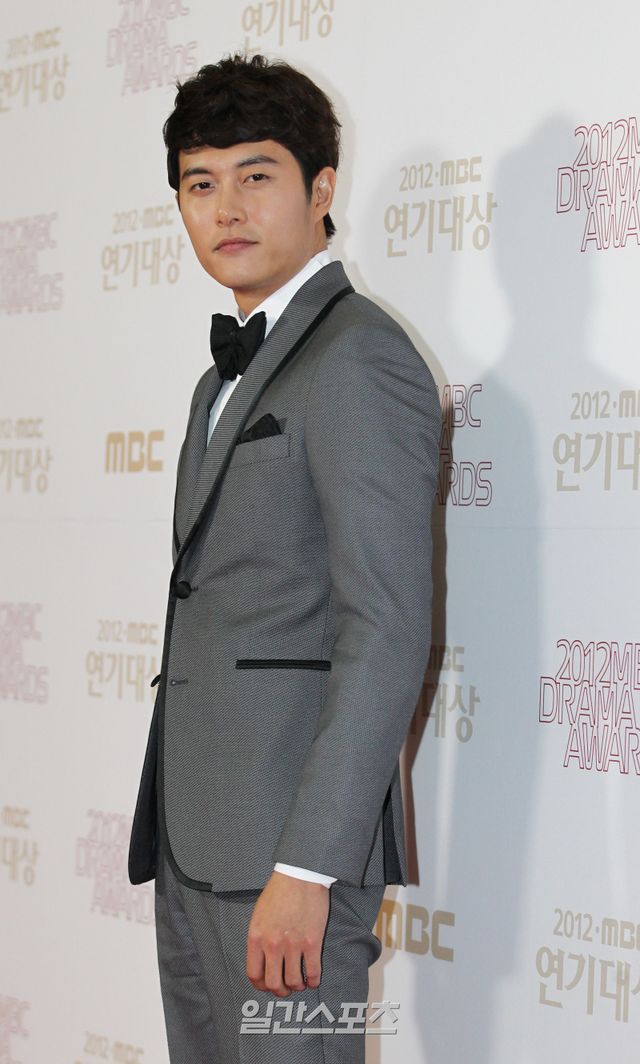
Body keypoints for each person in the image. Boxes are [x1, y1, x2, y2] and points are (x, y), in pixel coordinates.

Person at [128, 52, 441, 1064]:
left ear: (321, 189)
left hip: (287, 858)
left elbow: (385, 626)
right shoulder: (219, 378)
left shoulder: (359, 356)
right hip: (195, 843)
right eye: (199, 183)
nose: (226, 208)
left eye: (255, 175)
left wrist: (308, 867)